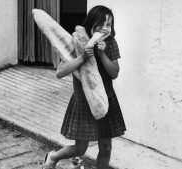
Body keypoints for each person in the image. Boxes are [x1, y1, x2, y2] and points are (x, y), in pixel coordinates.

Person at [43, 5, 126, 169]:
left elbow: (114, 72)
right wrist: (81, 57)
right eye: (101, 23)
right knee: (80, 149)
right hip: (84, 101)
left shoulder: (110, 43)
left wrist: (102, 54)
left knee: (106, 146)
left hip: (105, 99)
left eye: (109, 25)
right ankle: (53, 156)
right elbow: (60, 72)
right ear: (91, 23)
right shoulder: (79, 41)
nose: (105, 28)